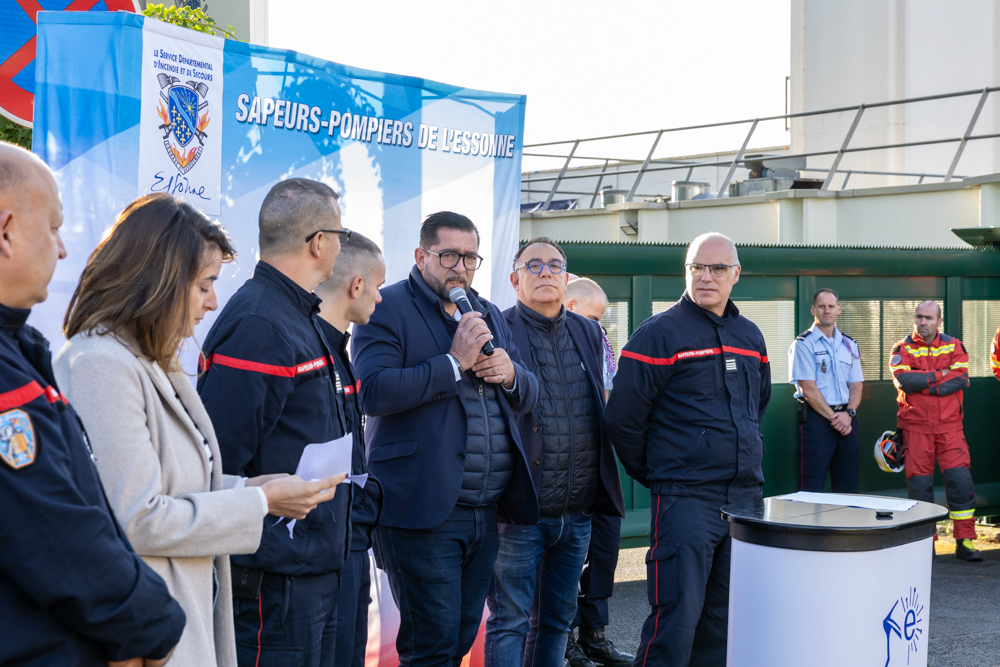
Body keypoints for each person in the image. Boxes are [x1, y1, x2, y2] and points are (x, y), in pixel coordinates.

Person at [54, 192, 345, 667]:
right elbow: (138, 519)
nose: (212, 302)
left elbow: (177, 485)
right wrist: (260, 502)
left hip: (179, 618)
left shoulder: (148, 360)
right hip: (149, 634)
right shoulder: (101, 365)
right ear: (161, 279)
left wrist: (250, 487)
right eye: (204, 284)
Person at [0, 141, 186, 666]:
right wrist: (153, 626)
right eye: (53, 228)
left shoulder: (21, 350)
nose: (62, 250)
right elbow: (56, 533)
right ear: (6, 232)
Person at [351, 211, 539, 667]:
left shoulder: (484, 311)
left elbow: (530, 391)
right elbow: (372, 391)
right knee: (431, 648)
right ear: (421, 256)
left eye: (470, 258)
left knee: (457, 644)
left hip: (485, 511)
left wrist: (511, 375)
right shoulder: (387, 306)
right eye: (449, 255)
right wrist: (454, 363)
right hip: (421, 510)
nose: (461, 267)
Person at [198, 178, 355, 666]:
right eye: (341, 236)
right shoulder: (261, 323)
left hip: (308, 569)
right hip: (273, 583)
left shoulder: (296, 312)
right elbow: (218, 461)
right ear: (319, 243)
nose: (341, 246)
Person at [606, 232, 770, 667]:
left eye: (717, 268)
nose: (705, 276)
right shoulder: (658, 335)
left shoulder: (750, 336)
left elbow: (756, 408)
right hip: (686, 500)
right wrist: (663, 472)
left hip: (744, 501)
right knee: (675, 622)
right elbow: (623, 419)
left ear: (736, 274)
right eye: (696, 267)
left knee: (723, 622)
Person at [486, 238, 624, 667]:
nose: (545, 272)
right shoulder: (497, 329)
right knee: (510, 622)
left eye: (554, 265)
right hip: (519, 514)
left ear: (566, 280)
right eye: (533, 265)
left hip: (577, 513)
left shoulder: (589, 332)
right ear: (515, 280)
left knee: (557, 622)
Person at [314, 232, 386, 667]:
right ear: (357, 285)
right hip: (320, 548)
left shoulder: (339, 349)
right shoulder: (310, 346)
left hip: (349, 541)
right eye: (377, 287)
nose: (380, 298)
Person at [563, 278, 633, 667]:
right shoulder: (554, 344)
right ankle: (565, 639)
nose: (600, 328)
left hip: (600, 462)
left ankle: (594, 634)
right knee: (566, 560)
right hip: (564, 468)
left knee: (604, 548)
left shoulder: (599, 343)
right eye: (594, 318)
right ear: (570, 306)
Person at [890, 300, 980, 562]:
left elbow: (960, 378)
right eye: (919, 317)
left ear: (939, 321)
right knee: (920, 489)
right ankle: (924, 543)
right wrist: (941, 374)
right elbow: (905, 380)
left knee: (960, 483)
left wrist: (924, 382)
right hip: (915, 429)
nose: (923, 322)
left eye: (929, 318)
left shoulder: (954, 345)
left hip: (950, 428)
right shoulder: (901, 348)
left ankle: (965, 541)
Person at [788, 288, 863, 492]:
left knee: (848, 486)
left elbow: (856, 384)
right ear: (813, 310)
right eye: (822, 306)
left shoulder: (849, 344)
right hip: (817, 421)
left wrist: (848, 413)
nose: (827, 310)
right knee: (811, 488)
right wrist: (835, 418)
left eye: (831, 306)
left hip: (848, 419)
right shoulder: (803, 344)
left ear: (839, 309)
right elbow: (808, 389)